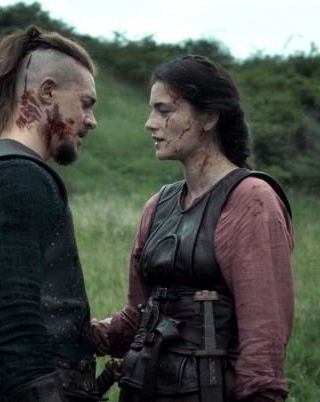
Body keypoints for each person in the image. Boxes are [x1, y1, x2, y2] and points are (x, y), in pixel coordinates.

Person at [91, 55, 294, 402]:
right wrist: (73, 331)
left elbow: (264, 341)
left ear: (209, 117)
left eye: (164, 110)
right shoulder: (157, 206)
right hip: (142, 389)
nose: (150, 123)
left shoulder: (252, 200)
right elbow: (135, 320)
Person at [0, 25, 101, 402]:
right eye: (86, 103)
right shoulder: (15, 175)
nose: (91, 120)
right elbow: (11, 317)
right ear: (47, 92)